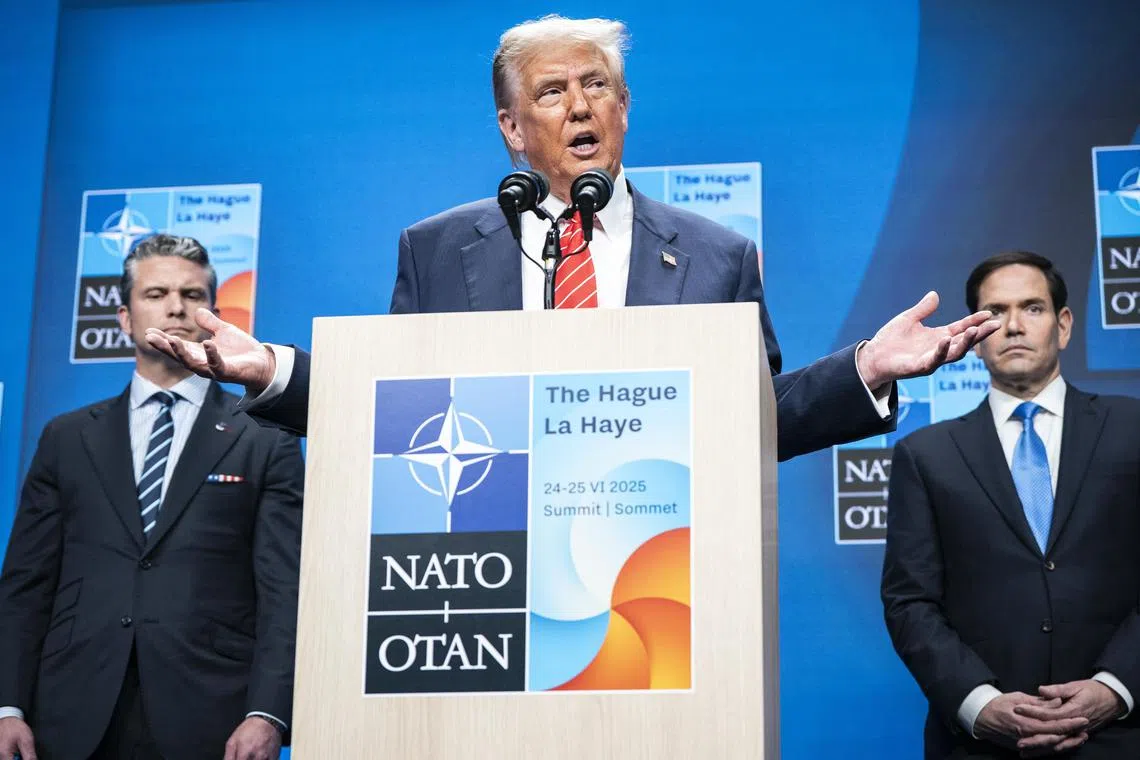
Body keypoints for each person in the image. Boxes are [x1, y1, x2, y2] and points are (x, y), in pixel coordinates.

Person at [143, 15, 999, 460]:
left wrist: (864, 371)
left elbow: (752, 423)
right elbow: (396, 411)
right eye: (553, 93)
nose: (582, 106)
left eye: (599, 86)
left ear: (625, 108)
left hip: (658, 578)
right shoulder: (438, 249)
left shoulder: (714, 253)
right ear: (513, 128)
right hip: (487, 562)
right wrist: (272, 369)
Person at [0, 235, 305, 760]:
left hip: (212, 713)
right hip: (71, 712)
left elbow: (284, 589)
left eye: (193, 295)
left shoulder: (264, 436)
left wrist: (268, 712)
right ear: (123, 316)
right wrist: (7, 706)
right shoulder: (66, 437)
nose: (176, 306)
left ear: (213, 312)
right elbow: (26, 585)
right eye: (156, 292)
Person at [881, 251, 1140, 758]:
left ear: (1064, 325)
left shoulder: (1133, 429)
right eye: (996, 313)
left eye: (1034, 309)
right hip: (981, 746)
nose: (1014, 326)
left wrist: (1116, 687)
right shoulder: (926, 455)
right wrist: (979, 705)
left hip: (1121, 737)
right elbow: (910, 603)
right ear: (974, 337)